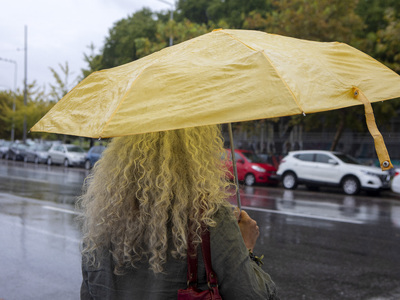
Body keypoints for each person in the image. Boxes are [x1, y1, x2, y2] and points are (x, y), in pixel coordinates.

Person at [78, 125, 279, 299]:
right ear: (197, 152)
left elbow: (89, 292)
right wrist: (246, 248)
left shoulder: (102, 218)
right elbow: (253, 295)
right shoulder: (210, 217)